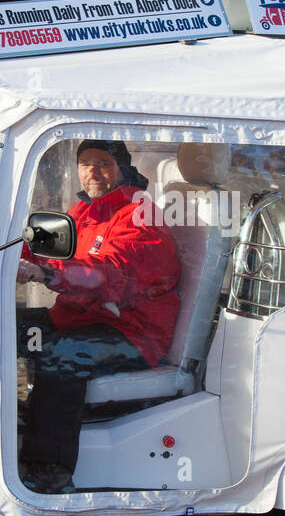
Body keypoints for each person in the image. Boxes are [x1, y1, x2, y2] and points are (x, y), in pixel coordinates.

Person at [16, 140, 179, 493]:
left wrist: (48, 275)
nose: (93, 171)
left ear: (122, 168)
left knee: (61, 356)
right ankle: (7, 435)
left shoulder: (140, 215)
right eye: (86, 163)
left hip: (132, 333)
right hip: (80, 318)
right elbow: (41, 245)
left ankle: (50, 472)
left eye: (103, 163)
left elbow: (110, 272)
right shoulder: (83, 211)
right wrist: (2, 250)